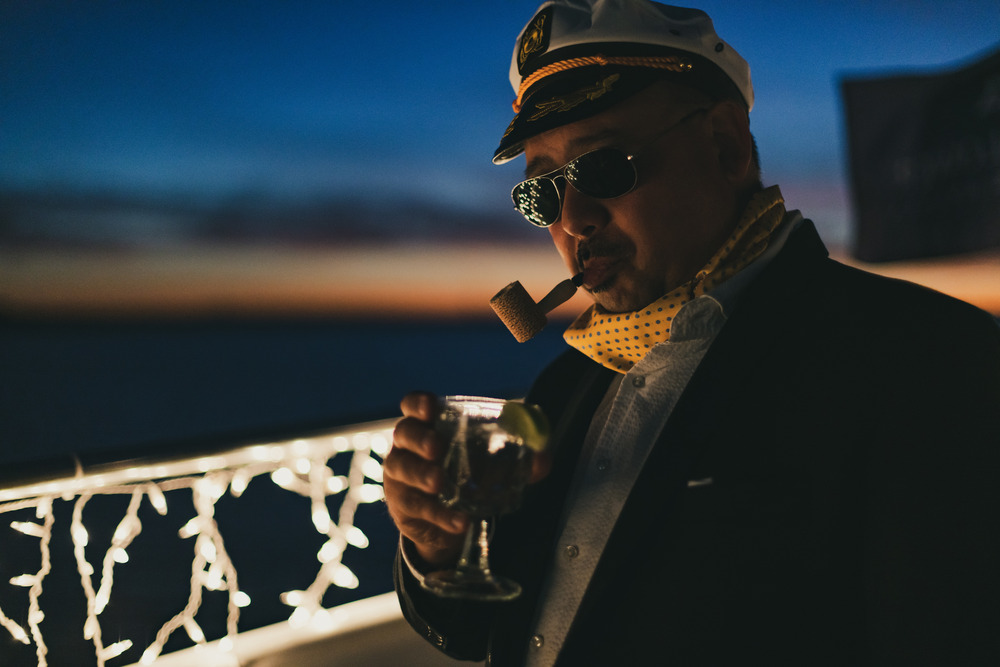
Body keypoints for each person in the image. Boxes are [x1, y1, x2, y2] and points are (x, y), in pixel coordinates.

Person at [382, 1, 1000, 664]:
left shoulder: (929, 363)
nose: (574, 218)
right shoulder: (564, 387)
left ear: (725, 147)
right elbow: (482, 626)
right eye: (543, 193)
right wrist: (437, 548)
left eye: (602, 168)